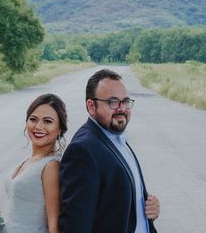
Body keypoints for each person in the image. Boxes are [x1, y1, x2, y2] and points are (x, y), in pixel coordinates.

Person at [59, 69, 160, 233]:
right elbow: (75, 225)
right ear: (91, 106)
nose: (122, 108)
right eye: (113, 102)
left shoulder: (116, 138)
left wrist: (148, 208)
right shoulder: (83, 150)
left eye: (125, 101)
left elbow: (116, 202)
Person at [3, 93, 68, 233]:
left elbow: (54, 224)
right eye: (33, 119)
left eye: (48, 121)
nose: (39, 126)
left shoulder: (51, 166)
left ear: (60, 129)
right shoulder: (30, 159)